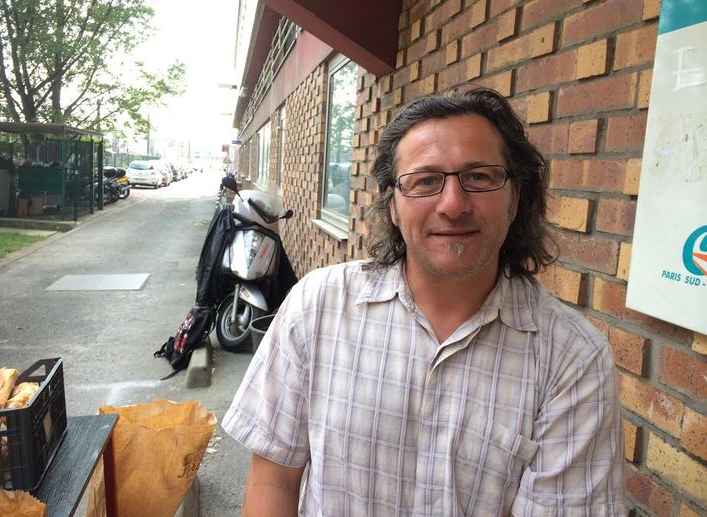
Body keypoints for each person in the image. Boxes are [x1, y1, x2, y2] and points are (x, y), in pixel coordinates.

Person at [223, 88, 626, 516]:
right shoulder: (318, 305)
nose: (453, 205)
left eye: (480, 177)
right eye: (425, 181)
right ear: (393, 206)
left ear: (516, 198)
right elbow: (273, 482)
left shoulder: (573, 359)